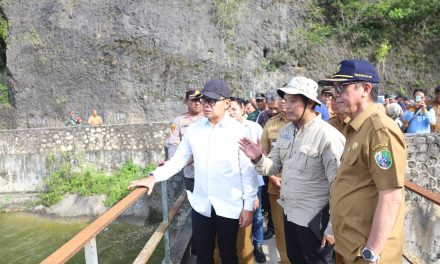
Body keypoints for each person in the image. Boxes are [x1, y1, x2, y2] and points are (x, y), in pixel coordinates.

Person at [128, 79, 258, 264]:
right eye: (204, 100)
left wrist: (247, 206)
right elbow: (178, 160)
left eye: (212, 101)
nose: (206, 105)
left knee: (229, 254)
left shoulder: (239, 131)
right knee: (203, 255)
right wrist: (153, 177)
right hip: (202, 203)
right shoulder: (195, 130)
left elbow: (248, 172)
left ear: (227, 103)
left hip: (229, 204)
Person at [240, 76, 345, 264]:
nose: (285, 105)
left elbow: (339, 187)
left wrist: (332, 228)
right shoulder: (287, 131)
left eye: (293, 100)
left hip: (315, 222)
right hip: (290, 214)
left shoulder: (328, 136)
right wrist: (257, 157)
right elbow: (273, 166)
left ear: (310, 102)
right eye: (285, 100)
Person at [318, 59, 407, 264]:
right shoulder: (357, 127)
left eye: (341, 87)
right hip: (349, 245)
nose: (334, 94)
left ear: (365, 88)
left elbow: (391, 196)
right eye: (333, 88)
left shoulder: (379, 130)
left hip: (365, 253)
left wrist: (371, 252)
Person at [226, 97, 265, 263]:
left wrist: (253, 191)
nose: (230, 112)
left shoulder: (254, 128)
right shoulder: (224, 129)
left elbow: (257, 158)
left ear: (243, 109)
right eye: (228, 109)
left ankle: (257, 245)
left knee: (255, 215)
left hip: (253, 179)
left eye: (234, 109)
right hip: (233, 183)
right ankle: (239, 248)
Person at [258, 89, 289, 263]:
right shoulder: (270, 124)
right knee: (281, 230)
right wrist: (272, 178)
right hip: (276, 186)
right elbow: (263, 155)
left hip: (304, 190)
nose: (286, 104)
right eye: (285, 99)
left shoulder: (308, 124)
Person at [165, 87, 203, 192]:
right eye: (194, 100)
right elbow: (173, 145)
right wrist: (172, 163)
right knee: (195, 205)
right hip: (191, 173)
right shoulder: (179, 121)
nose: (197, 103)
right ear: (186, 101)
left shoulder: (208, 118)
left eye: (200, 100)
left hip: (210, 173)